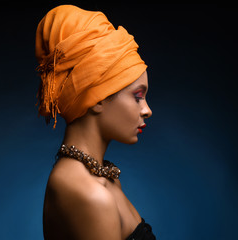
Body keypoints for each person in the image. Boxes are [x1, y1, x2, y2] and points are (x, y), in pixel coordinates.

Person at [35, 5, 155, 240]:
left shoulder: (105, 178)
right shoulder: (88, 193)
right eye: (138, 97)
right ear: (97, 98)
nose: (147, 110)